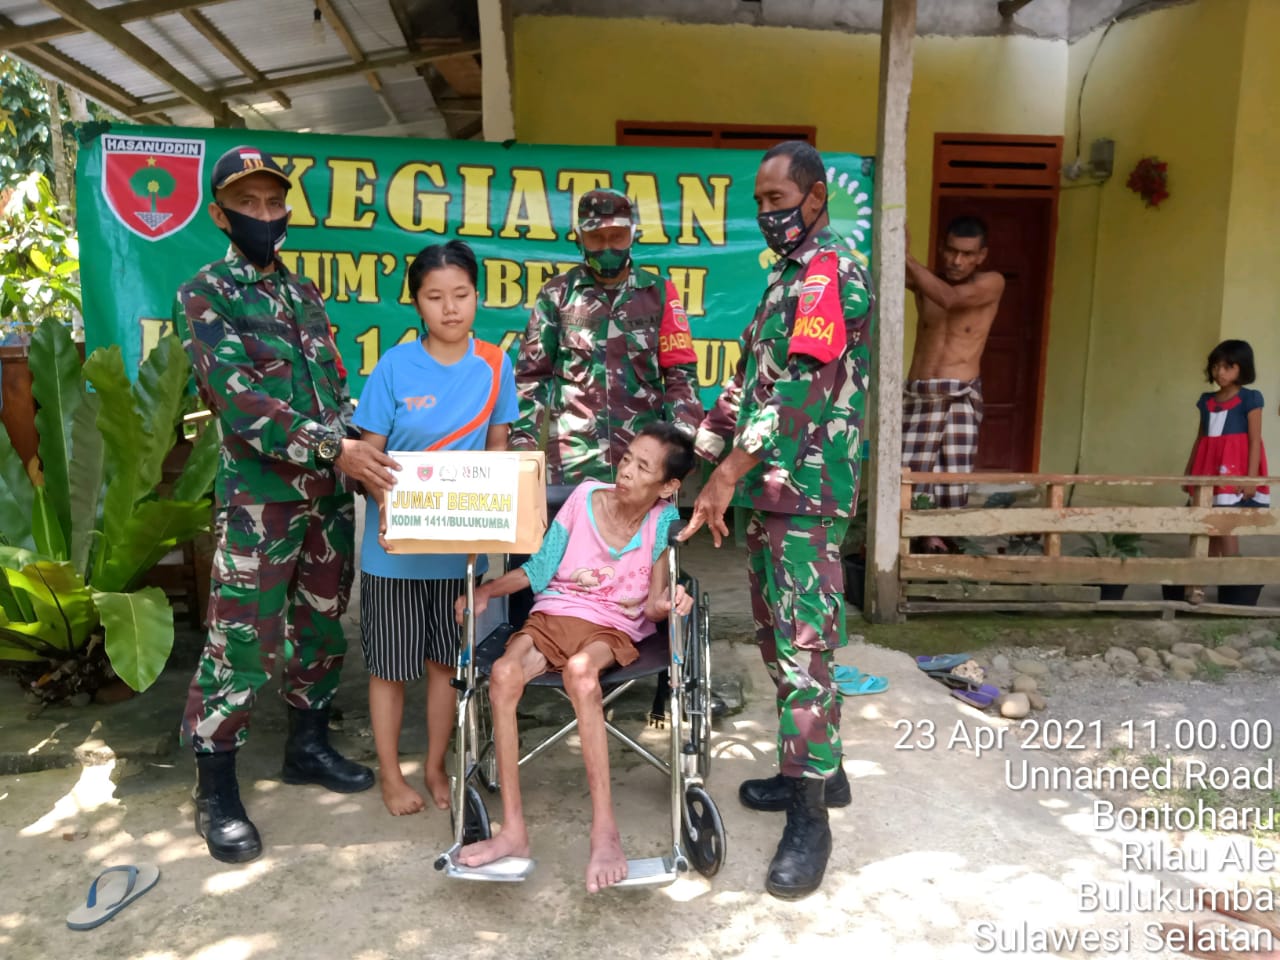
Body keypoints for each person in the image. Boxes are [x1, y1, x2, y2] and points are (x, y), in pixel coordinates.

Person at [176, 145, 399, 864]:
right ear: (221, 214)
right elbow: (242, 404)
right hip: (260, 505)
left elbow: (333, 394)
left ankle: (307, 746)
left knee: (322, 626)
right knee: (241, 642)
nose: (265, 216)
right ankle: (215, 786)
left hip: (328, 500)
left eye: (275, 204)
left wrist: (370, 444)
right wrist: (335, 448)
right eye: (250, 205)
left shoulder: (303, 295)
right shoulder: (207, 293)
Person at [680, 141, 872, 900]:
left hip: (809, 491)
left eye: (777, 198)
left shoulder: (828, 275)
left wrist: (725, 474)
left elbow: (797, 394)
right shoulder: (784, 283)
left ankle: (811, 818)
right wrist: (688, 451)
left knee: (804, 645)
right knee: (777, 636)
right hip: (772, 493)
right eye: (758, 202)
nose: (768, 213)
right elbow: (744, 388)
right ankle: (818, 768)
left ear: (817, 198)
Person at [451, 424, 695, 893]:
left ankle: (605, 834)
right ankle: (513, 832)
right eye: (627, 459)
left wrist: (672, 604)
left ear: (667, 486)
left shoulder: (663, 521)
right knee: (502, 675)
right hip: (556, 610)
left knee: (582, 675)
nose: (626, 471)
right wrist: (487, 591)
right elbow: (540, 569)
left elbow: (651, 605)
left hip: (612, 624)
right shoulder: (584, 496)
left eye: (643, 467)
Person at [353, 240, 517, 817]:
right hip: (393, 551)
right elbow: (368, 455)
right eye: (435, 297)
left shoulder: (497, 364)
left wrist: (491, 527)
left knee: (446, 665)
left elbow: (497, 452)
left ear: (478, 297)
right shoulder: (393, 368)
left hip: (458, 554)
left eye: (461, 295)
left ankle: (434, 764)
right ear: (417, 304)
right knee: (389, 668)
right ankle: (391, 773)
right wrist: (394, 507)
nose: (450, 308)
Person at [506, 187, 704, 625]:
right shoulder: (557, 296)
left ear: (634, 234)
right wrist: (521, 453)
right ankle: (545, 641)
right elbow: (531, 379)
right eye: (597, 239)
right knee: (561, 561)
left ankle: (660, 672)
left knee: (651, 564)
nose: (609, 247)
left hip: (645, 466)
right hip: (574, 462)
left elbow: (681, 376)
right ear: (579, 238)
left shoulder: (660, 294)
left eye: (618, 236)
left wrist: (682, 451)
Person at [903, 216, 1005, 551]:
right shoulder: (926, 282)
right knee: (906, 480)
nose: (956, 260)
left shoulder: (991, 283)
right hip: (918, 396)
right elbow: (887, 267)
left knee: (948, 481)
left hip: (958, 396)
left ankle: (940, 547)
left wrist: (907, 259)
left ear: (981, 255)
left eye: (966, 254)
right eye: (950, 251)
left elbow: (951, 299)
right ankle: (909, 545)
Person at [1184, 339, 1268, 562]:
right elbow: (1200, 439)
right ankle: (1201, 578)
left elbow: (1254, 440)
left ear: (1242, 368)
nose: (1219, 372)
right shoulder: (1206, 401)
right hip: (1207, 469)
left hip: (1232, 471)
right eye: (1215, 366)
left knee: (1226, 522)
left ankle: (1232, 579)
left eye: (1227, 367)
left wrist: (1251, 478)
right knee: (1206, 524)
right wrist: (1189, 472)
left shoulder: (1250, 399)